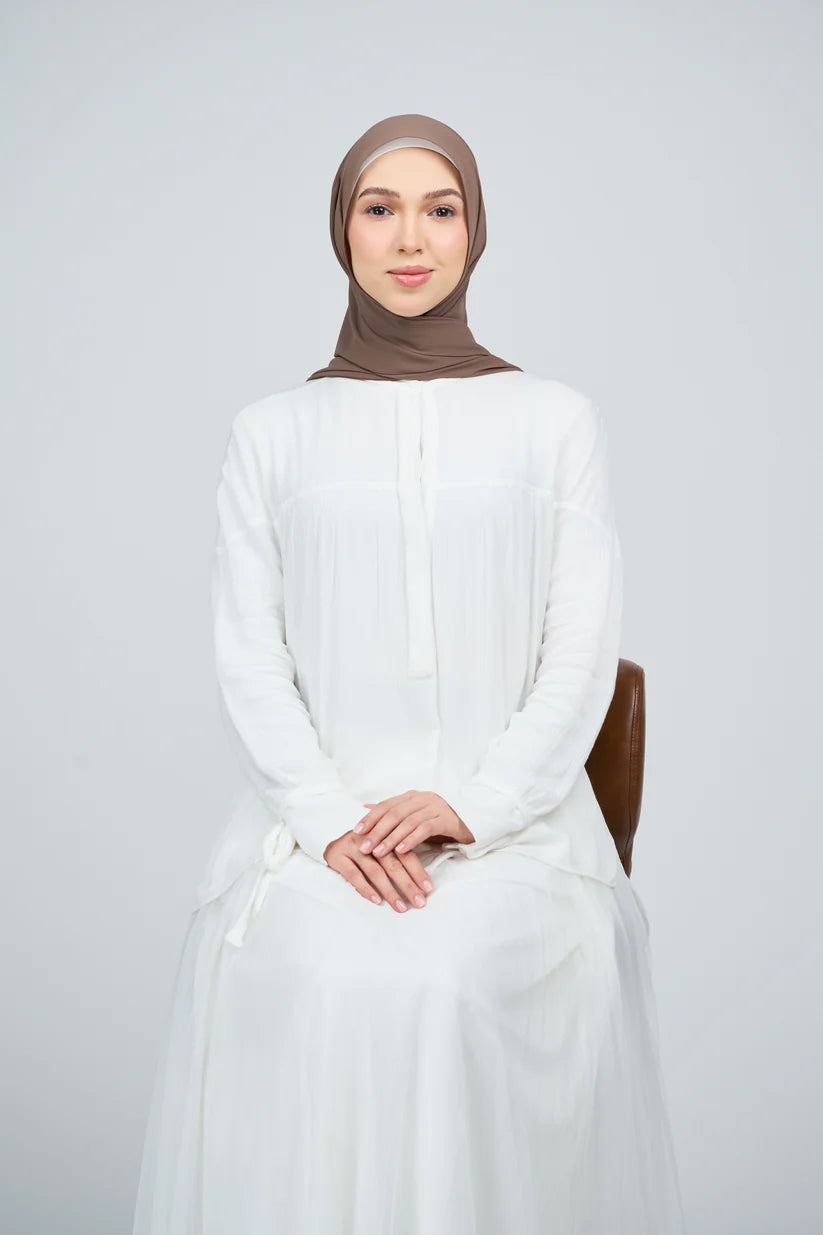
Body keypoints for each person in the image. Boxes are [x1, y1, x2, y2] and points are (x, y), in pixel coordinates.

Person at [132, 113, 687, 1234]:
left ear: (475, 230)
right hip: (313, 836)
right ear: (340, 231)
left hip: (517, 836)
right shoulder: (272, 433)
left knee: (442, 982)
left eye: (440, 209)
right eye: (377, 208)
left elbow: (580, 652)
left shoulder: (554, 422)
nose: (409, 239)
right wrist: (330, 818)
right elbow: (249, 652)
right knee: (318, 970)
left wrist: (475, 803)